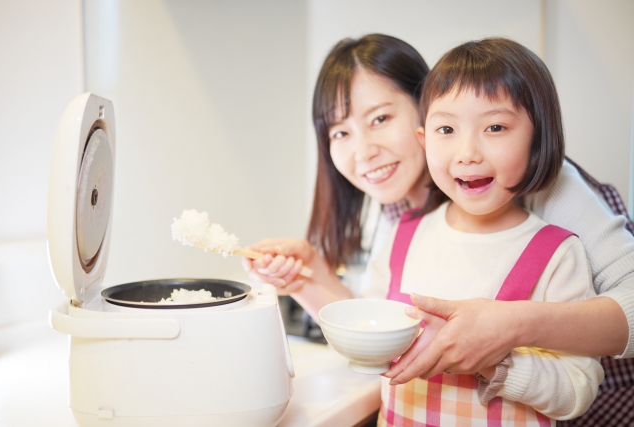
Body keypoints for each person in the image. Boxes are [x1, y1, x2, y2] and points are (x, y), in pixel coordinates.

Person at [243, 34, 634, 425]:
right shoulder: (402, 222)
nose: (362, 152)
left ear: (422, 109)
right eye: (340, 132)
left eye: (380, 118)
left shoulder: (544, 191)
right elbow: (379, 320)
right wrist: (309, 276)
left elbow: (576, 381)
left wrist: (506, 331)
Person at [363, 37, 604, 425]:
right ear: (424, 141)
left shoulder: (556, 253)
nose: (468, 152)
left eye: (494, 127)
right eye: (446, 129)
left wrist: (495, 360)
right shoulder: (403, 236)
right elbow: (369, 320)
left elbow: (577, 391)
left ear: (537, 138)